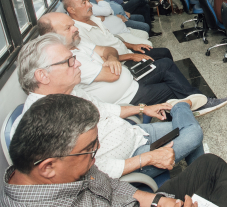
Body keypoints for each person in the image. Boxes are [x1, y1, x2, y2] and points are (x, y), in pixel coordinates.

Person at [2, 93, 227, 207]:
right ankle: (182, 105)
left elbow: (112, 187)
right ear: (48, 167)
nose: (97, 153)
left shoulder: (72, 166)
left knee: (210, 165)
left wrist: (156, 201)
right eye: (91, 149)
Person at [10, 35, 206, 180]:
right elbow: (91, 172)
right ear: (42, 75)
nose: (78, 63)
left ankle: (201, 179)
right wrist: (147, 159)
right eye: (69, 61)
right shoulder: (41, 122)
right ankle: (181, 106)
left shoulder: (70, 91)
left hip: (135, 133)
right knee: (193, 133)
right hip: (132, 161)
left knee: (190, 130)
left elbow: (105, 109)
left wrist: (142, 109)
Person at [39, 12, 227, 113]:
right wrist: (111, 62)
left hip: (131, 80)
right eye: (68, 27)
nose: (75, 29)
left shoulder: (76, 43)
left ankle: (194, 101)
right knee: (172, 84)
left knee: (165, 64)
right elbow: (112, 75)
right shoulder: (67, 60)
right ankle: (197, 104)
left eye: (73, 25)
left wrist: (110, 58)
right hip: (128, 96)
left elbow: (108, 50)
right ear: (51, 35)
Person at [64, 0, 173, 61]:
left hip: (126, 51)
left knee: (165, 53)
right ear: (71, 10)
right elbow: (100, 58)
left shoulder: (92, 18)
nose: (90, 5)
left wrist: (132, 46)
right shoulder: (77, 32)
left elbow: (112, 39)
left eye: (88, 1)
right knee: (165, 62)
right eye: (84, 2)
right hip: (121, 60)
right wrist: (130, 56)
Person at [65, 0, 151, 45]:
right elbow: (107, 10)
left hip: (120, 21)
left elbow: (109, 9)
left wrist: (111, 14)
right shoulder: (85, 0)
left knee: (143, 6)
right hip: (117, 33)